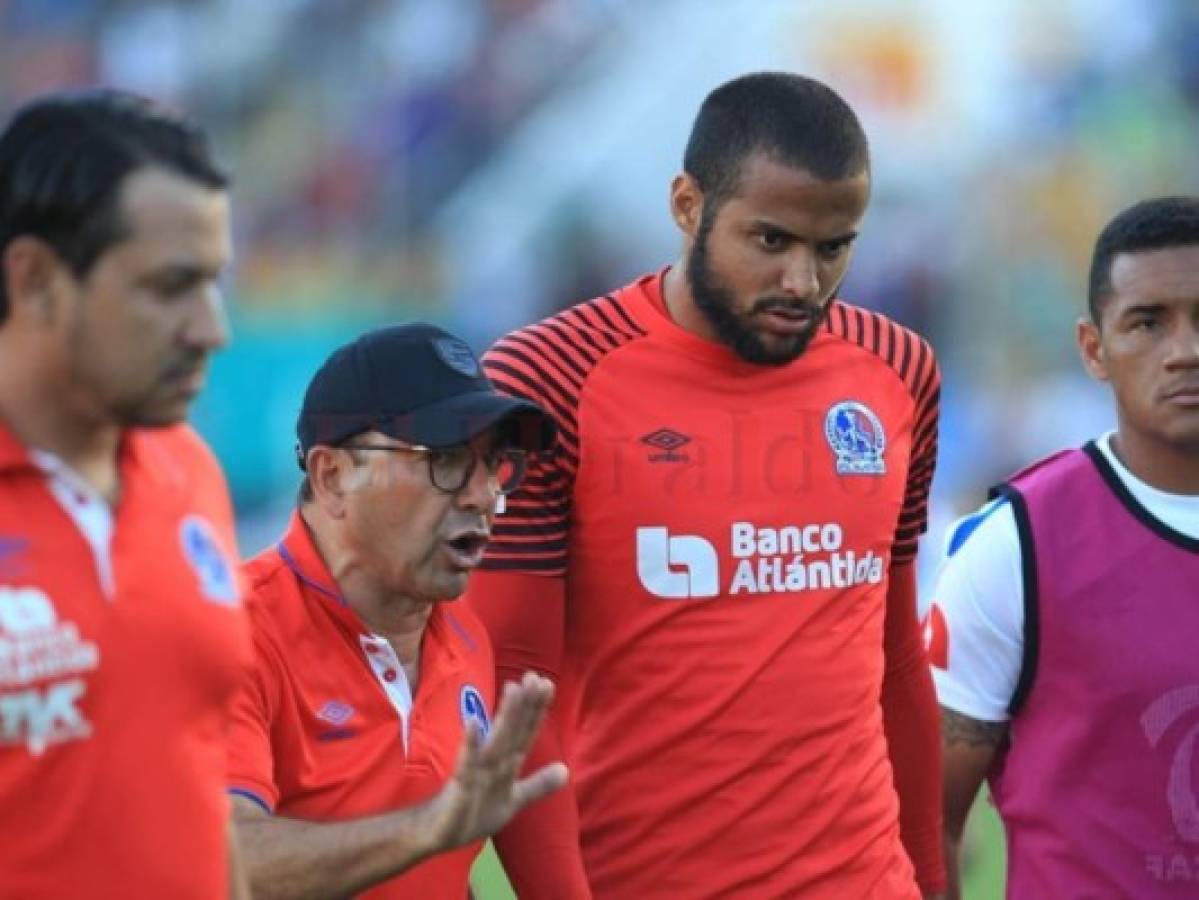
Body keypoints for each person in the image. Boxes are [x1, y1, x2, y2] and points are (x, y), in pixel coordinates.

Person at [465, 72, 946, 899]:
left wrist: (933, 883)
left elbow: (896, 657)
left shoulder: (898, 371)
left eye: (833, 248)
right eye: (771, 241)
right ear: (687, 206)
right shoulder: (546, 379)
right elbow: (513, 685)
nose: (804, 281)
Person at [0, 90, 251, 897]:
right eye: (170, 286)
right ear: (36, 280)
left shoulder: (189, 473)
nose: (211, 328)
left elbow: (199, 788)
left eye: (212, 284)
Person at [226, 323, 570, 899]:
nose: (482, 494)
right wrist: (426, 829)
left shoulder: (465, 637)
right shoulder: (232, 631)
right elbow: (222, 858)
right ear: (332, 476)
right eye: (445, 459)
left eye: (494, 464)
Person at [930, 196, 1199, 898]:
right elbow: (927, 819)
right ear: (1093, 349)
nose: (1185, 350)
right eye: (1146, 322)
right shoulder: (1015, 546)